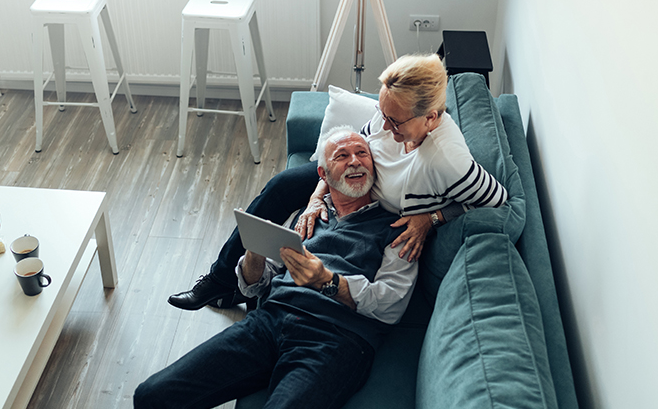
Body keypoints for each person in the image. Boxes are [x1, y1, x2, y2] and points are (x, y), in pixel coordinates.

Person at [168, 53, 507, 311]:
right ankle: (220, 279)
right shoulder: (393, 110)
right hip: (356, 172)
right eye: (384, 114)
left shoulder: (448, 160)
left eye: (394, 121)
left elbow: (498, 201)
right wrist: (318, 195)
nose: (385, 126)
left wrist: (431, 218)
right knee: (281, 187)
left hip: (375, 206)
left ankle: (250, 289)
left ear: (430, 118)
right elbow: (366, 137)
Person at [135, 128, 418, 409]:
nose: (355, 161)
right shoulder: (309, 216)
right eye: (342, 156)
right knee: (151, 396)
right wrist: (254, 255)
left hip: (336, 339)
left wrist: (328, 282)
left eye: (362, 153)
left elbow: (390, 305)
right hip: (269, 321)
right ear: (323, 175)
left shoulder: (396, 228)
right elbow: (255, 284)